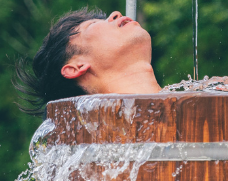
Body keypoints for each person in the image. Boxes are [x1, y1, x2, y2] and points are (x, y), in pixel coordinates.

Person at [15, 7, 161, 117]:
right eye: (92, 24)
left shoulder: (181, 101)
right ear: (77, 67)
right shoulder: (104, 146)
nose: (116, 14)